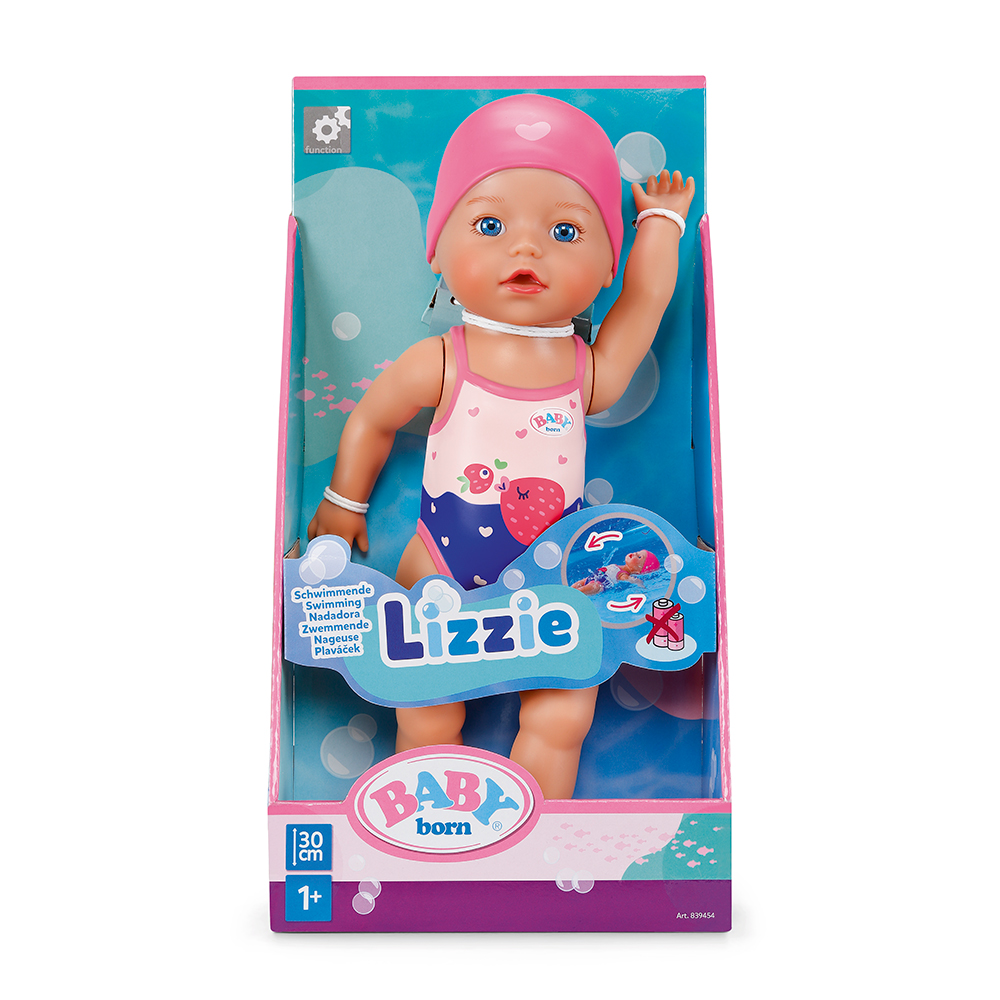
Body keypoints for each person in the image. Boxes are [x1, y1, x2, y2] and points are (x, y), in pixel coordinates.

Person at [308, 94, 694, 798]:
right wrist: (343, 502)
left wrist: (660, 227)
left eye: (566, 231)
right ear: (437, 250)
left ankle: (538, 837)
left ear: (607, 266)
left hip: (558, 572)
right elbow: (371, 420)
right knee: (425, 704)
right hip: (441, 559)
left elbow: (642, 305)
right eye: (490, 225)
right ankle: (432, 826)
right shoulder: (442, 360)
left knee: (563, 712)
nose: (526, 247)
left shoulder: (587, 372)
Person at [572, 549, 661, 596]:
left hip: (600, 583)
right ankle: (569, 590)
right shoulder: (619, 566)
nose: (634, 553)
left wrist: (637, 581)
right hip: (594, 576)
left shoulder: (623, 574)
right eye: (637, 552)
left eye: (639, 557)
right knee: (579, 583)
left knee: (593, 587)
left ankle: (574, 595)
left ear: (637, 571)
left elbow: (627, 579)